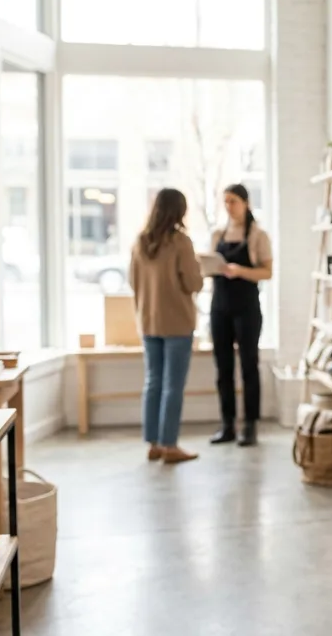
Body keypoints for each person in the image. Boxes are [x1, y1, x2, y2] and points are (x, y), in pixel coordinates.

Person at [129, 188, 204, 464]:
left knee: (153, 383)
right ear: (179, 211)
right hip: (177, 322)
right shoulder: (180, 242)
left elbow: (131, 281)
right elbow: (193, 283)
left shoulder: (140, 241)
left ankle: (154, 444)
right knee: (173, 385)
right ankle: (170, 444)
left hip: (148, 321)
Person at [208, 183, 273, 447]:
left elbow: (267, 272)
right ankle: (227, 425)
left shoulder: (258, 235)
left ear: (246, 203)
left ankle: (250, 426)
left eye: (233, 201)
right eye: (225, 201)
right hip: (219, 306)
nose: (228, 206)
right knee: (223, 368)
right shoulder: (217, 234)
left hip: (247, 307)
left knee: (248, 367)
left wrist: (239, 271)